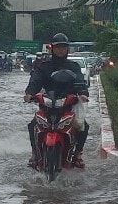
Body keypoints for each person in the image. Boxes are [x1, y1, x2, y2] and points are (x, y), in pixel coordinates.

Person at [24, 33, 90, 168]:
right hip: (48, 103)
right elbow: (35, 81)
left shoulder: (74, 66)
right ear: (52, 48)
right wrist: (29, 94)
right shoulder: (44, 66)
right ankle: (35, 153)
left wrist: (82, 93)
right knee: (32, 125)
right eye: (58, 47)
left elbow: (80, 82)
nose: (60, 49)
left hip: (68, 104)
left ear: (67, 49)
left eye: (63, 47)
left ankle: (78, 154)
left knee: (84, 126)